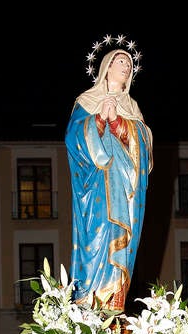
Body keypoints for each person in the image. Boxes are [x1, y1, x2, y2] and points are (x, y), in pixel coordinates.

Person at [65, 47, 153, 313]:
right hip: (95, 192)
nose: (126, 65)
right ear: (107, 67)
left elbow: (144, 152)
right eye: (120, 60)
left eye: (129, 63)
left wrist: (118, 123)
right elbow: (72, 139)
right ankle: (87, 305)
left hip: (125, 196)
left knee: (120, 244)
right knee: (96, 238)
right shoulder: (87, 100)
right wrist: (99, 118)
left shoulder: (133, 109)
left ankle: (114, 306)